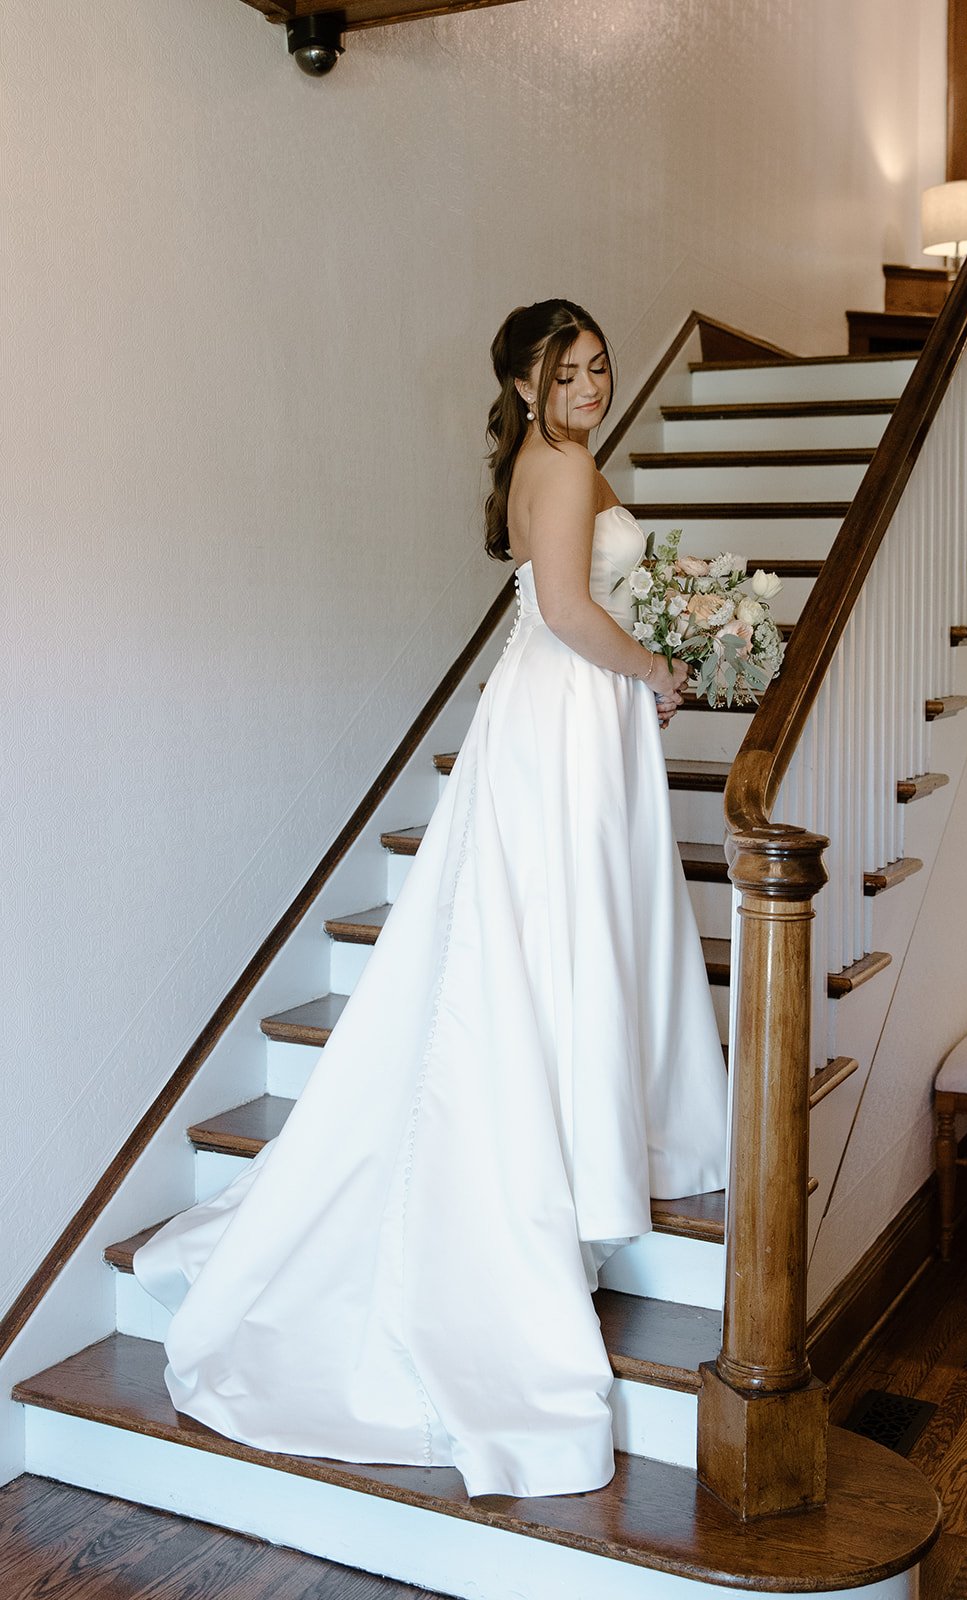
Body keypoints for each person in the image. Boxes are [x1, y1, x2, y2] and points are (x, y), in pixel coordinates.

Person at [134, 298, 729, 1501]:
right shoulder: (558, 466)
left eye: (600, 367)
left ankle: (591, 1127)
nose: (592, 386)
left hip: (567, 714)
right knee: (548, 936)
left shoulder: (551, 462)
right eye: (569, 371)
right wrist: (659, 663)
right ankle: (553, 1160)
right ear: (523, 382)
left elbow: (572, 608)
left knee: (563, 932)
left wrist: (654, 657)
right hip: (559, 715)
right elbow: (567, 613)